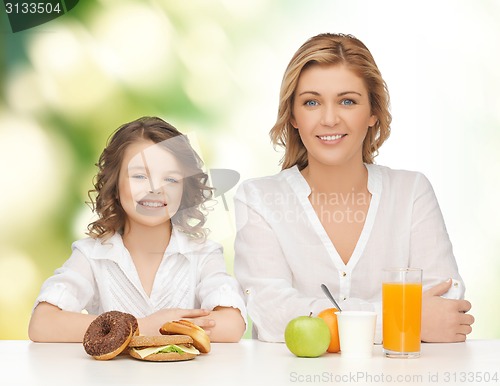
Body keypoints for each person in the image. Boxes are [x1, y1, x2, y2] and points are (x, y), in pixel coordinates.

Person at [233, 33, 474, 343]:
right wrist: (403, 320)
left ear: (373, 112)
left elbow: (446, 302)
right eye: (311, 102)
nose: (330, 118)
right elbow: (272, 314)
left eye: (347, 101)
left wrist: (326, 320)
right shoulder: (259, 198)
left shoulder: (411, 191)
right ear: (293, 116)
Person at [29, 116, 246, 342]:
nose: (154, 188)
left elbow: (232, 325)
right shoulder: (91, 254)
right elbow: (42, 324)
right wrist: (142, 326)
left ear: (184, 191)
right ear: (114, 186)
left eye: (171, 179)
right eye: (140, 176)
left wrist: (158, 327)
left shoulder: (203, 253)